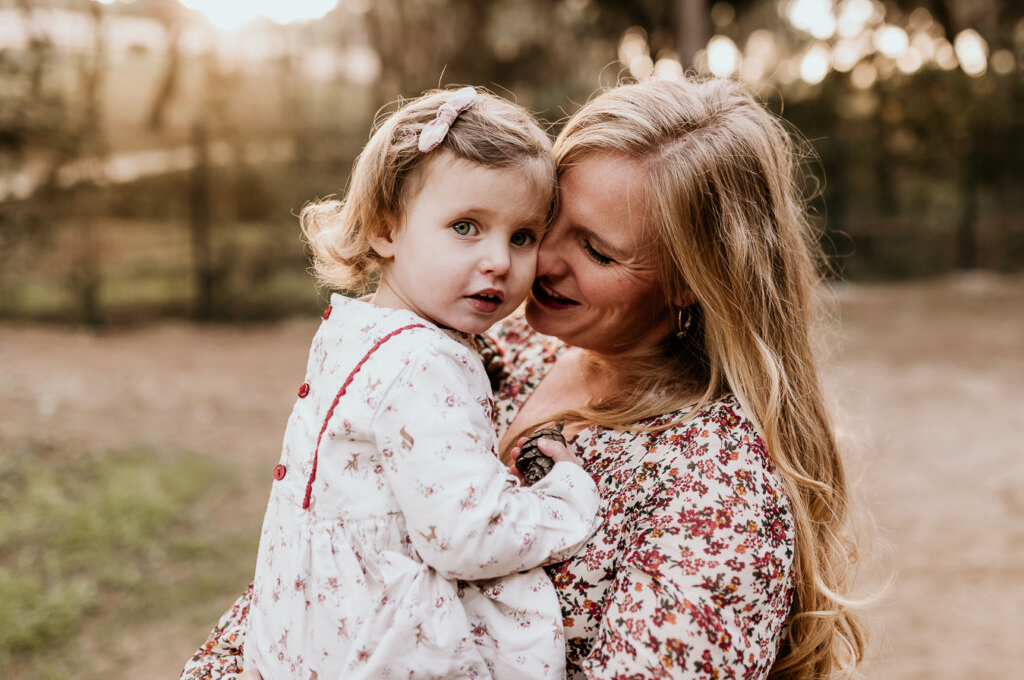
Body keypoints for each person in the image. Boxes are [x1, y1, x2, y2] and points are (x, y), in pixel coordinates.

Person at [182, 75, 866, 679]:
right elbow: (334, 559)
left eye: (594, 249)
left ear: (692, 283)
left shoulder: (717, 489)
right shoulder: (488, 344)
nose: (531, 265)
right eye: (544, 226)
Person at [236, 86, 601, 680]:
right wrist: (566, 498)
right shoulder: (422, 362)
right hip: (381, 646)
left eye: (523, 236)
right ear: (385, 230)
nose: (499, 261)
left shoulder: (357, 332)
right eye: (465, 226)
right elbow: (467, 533)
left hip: (302, 634)